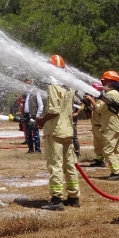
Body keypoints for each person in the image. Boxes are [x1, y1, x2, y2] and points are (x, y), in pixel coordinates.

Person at [35, 55, 80, 210]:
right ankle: (74, 197)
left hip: (55, 130)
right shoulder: (69, 86)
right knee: (69, 165)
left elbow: (53, 111)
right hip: (68, 130)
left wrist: (41, 121)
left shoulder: (53, 85)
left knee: (55, 164)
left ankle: (56, 199)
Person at [85, 71, 119, 181]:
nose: (103, 83)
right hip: (115, 124)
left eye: (105, 81)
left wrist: (91, 100)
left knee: (108, 150)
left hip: (110, 125)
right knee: (115, 151)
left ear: (112, 83)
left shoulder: (111, 94)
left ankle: (117, 172)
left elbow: (98, 109)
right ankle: (116, 171)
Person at [23, 79, 43, 153]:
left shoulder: (36, 93)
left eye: (29, 83)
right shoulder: (25, 94)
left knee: (35, 133)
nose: (27, 85)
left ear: (31, 84)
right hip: (26, 115)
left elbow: (41, 105)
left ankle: (38, 149)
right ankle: (30, 149)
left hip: (33, 115)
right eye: (26, 84)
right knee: (28, 133)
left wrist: (38, 115)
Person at [88, 82, 105, 167]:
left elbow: (98, 109)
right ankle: (99, 160)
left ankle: (106, 160)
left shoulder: (102, 100)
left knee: (103, 145)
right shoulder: (96, 100)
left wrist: (91, 100)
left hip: (100, 126)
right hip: (95, 126)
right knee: (97, 145)